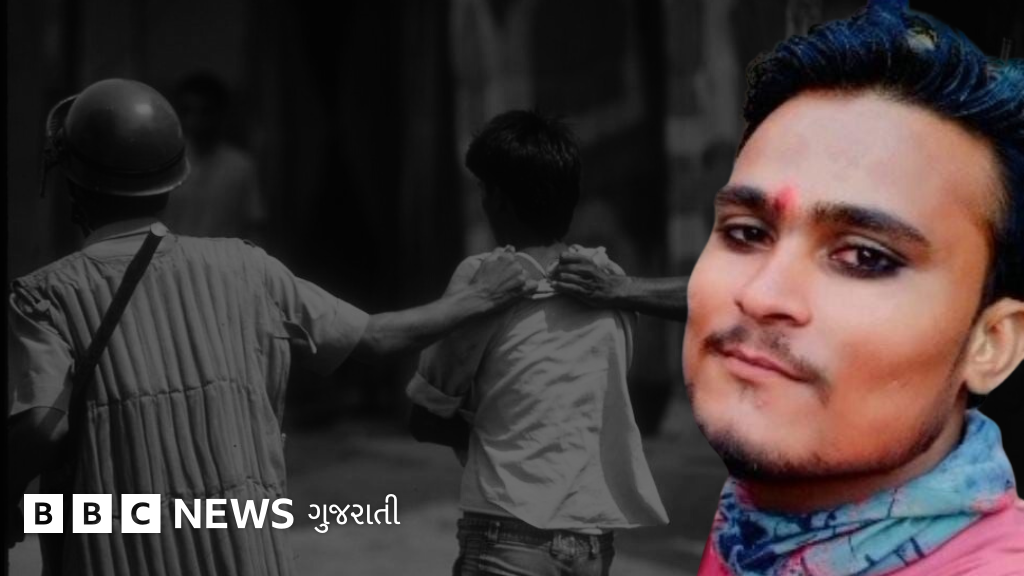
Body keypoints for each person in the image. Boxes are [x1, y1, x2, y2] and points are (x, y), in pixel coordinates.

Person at [556, 2, 1024, 574]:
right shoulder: (757, 527)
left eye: (864, 257)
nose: (760, 295)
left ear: (992, 343)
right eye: (747, 232)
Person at [6, 78, 535, 576]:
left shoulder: (45, 296)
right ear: (174, 176)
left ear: (73, 185)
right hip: (245, 552)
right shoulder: (249, 268)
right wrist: (480, 297)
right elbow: (376, 337)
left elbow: (43, 428)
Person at [406, 110, 669, 576]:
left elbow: (426, 415)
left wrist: (494, 431)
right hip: (591, 542)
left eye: (484, 191)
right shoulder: (609, 281)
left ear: (498, 200)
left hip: (506, 532)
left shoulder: (485, 278)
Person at [162, 71, 265, 240]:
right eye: (187, 111)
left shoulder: (240, 166)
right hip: (174, 255)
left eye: (205, 112)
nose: (195, 121)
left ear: (221, 114)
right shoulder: (167, 163)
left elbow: (254, 225)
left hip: (225, 257)